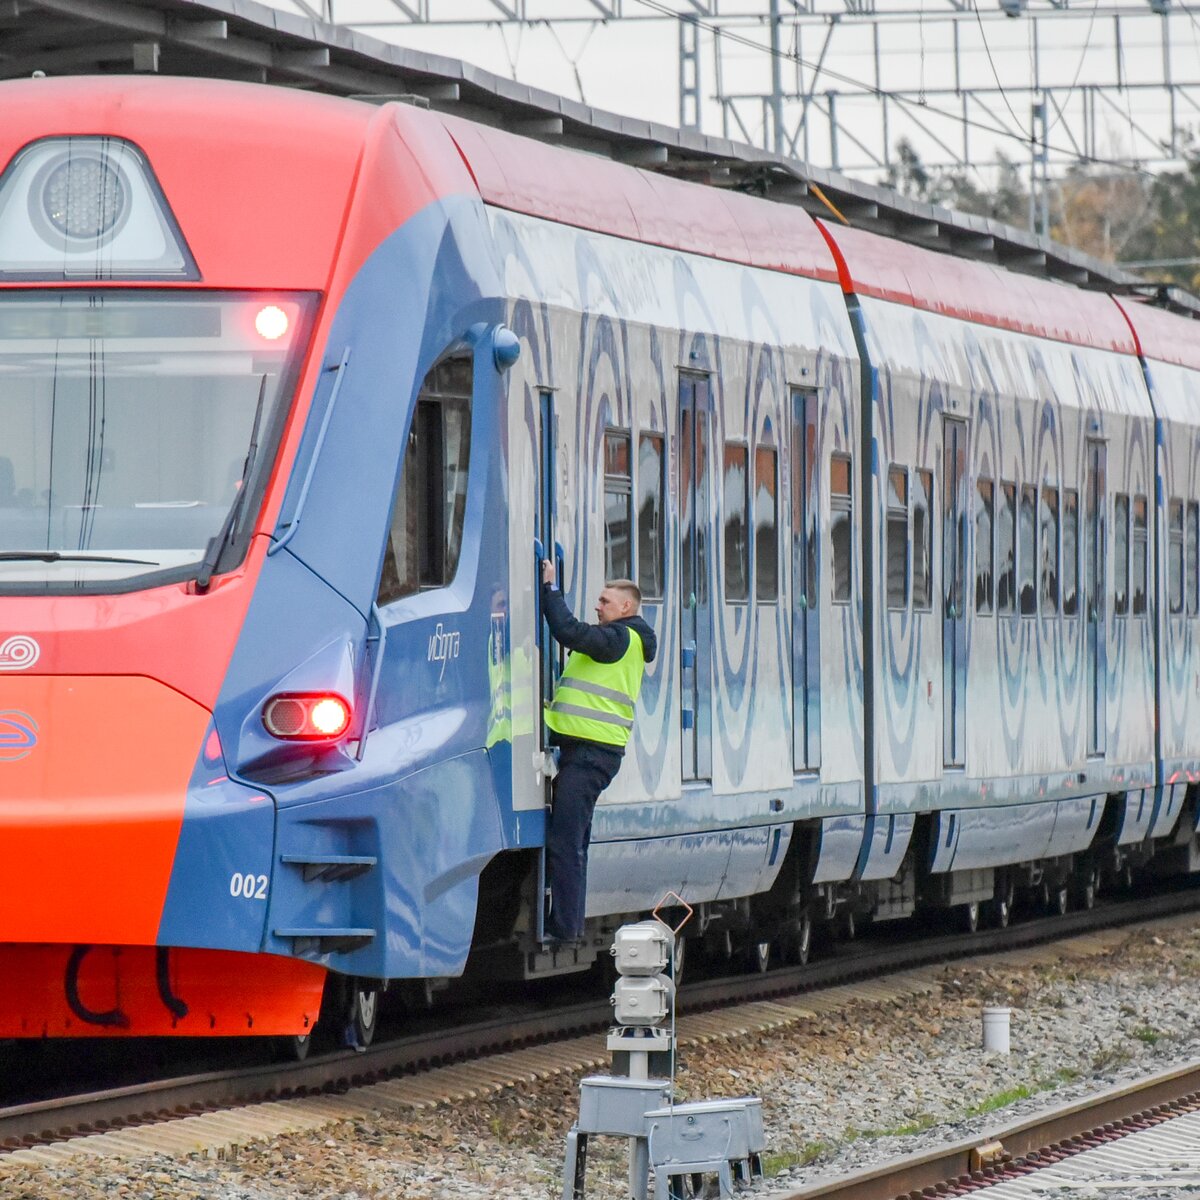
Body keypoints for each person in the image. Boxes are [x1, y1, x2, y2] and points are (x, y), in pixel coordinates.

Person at [540, 559, 658, 944]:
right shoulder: (628, 641)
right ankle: (566, 922)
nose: (598, 606)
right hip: (590, 753)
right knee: (573, 841)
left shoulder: (618, 639)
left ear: (625, 607)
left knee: (566, 841)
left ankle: (566, 928)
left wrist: (549, 590)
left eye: (604, 601)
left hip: (592, 754)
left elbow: (568, 631)